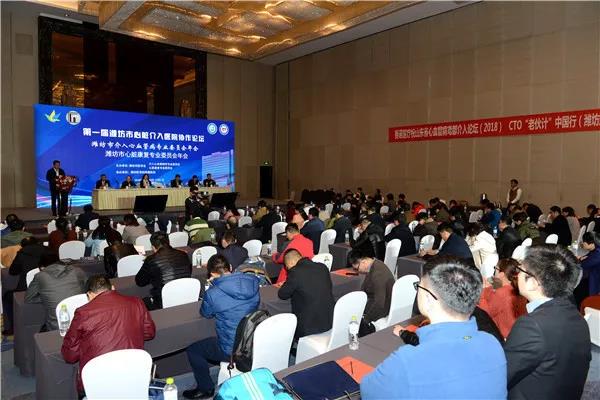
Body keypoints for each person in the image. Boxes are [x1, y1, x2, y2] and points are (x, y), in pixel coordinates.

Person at [361, 258, 507, 399]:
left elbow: (368, 391)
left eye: (419, 286)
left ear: (429, 299)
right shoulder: (493, 344)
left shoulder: (407, 362)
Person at [504, 245, 590, 399]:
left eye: (520, 270)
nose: (517, 275)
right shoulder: (577, 317)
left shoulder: (531, 325)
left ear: (533, 282)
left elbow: (502, 376)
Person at [61, 275, 156, 394]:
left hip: (98, 379)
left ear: (89, 294)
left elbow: (70, 355)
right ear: (113, 287)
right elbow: (149, 333)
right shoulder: (136, 302)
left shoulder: (83, 312)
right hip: (133, 372)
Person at [183, 255, 259, 399]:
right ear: (230, 267)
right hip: (251, 342)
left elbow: (206, 313)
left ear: (212, 274)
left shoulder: (213, 293)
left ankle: (205, 388)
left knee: (194, 350)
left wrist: (213, 286)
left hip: (232, 350)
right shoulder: (253, 283)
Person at [277, 250, 334, 338]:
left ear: (290, 263)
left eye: (287, 268)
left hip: (309, 326)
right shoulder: (322, 267)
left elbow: (282, 294)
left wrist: (287, 284)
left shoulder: (295, 272)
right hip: (329, 320)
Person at [25, 252, 86, 331]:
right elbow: (86, 290)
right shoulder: (77, 270)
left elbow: (28, 298)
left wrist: (46, 297)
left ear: (42, 267)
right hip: (81, 322)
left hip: (56, 327)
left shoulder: (40, 276)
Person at [2, 237, 49, 334]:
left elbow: (13, 271)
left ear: (22, 246)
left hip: (26, 290)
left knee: (7, 297)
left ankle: (11, 327)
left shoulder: (22, 254)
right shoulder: (48, 251)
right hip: (47, 286)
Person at [135, 232, 192, 310]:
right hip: (186, 295)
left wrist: (152, 277)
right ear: (168, 242)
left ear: (153, 247)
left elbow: (139, 282)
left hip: (163, 301)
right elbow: (189, 272)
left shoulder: (151, 260)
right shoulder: (183, 254)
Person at [478, 259, 527, 339]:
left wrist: (482, 291)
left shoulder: (502, 293)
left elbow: (485, 313)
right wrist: (489, 287)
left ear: (501, 274)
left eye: (495, 269)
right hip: (518, 333)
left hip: (504, 337)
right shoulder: (518, 288)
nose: (494, 271)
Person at [349, 252, 394, 336]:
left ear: (363, 262)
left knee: (351, 317)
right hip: (379, 301)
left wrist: (367, 319)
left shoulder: (378, 274)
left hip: (382, 309)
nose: (358, 271)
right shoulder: (376, 264)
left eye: (357, 268)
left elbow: (379, 303)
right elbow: (364, 288)